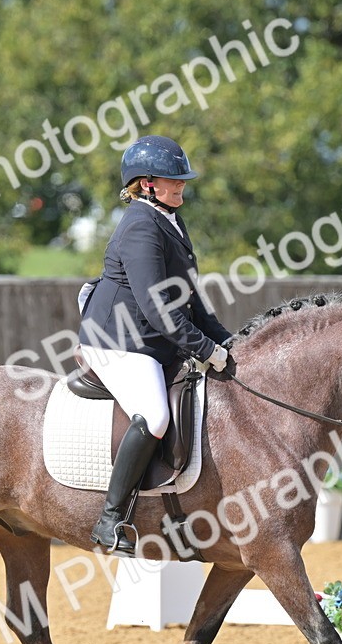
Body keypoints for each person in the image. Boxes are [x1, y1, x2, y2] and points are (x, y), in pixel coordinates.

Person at [78, 135, 233, 555]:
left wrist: (227, 341)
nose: (181, 184)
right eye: (172, 179)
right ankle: (110, 520)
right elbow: (155, 305)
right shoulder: (142, 224)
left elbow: (190, 297)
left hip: (151, 338)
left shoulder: (169, 219)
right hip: (119, 341)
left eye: (182, 178)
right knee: (156, 416)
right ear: (146, 184)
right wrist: (204, 349)